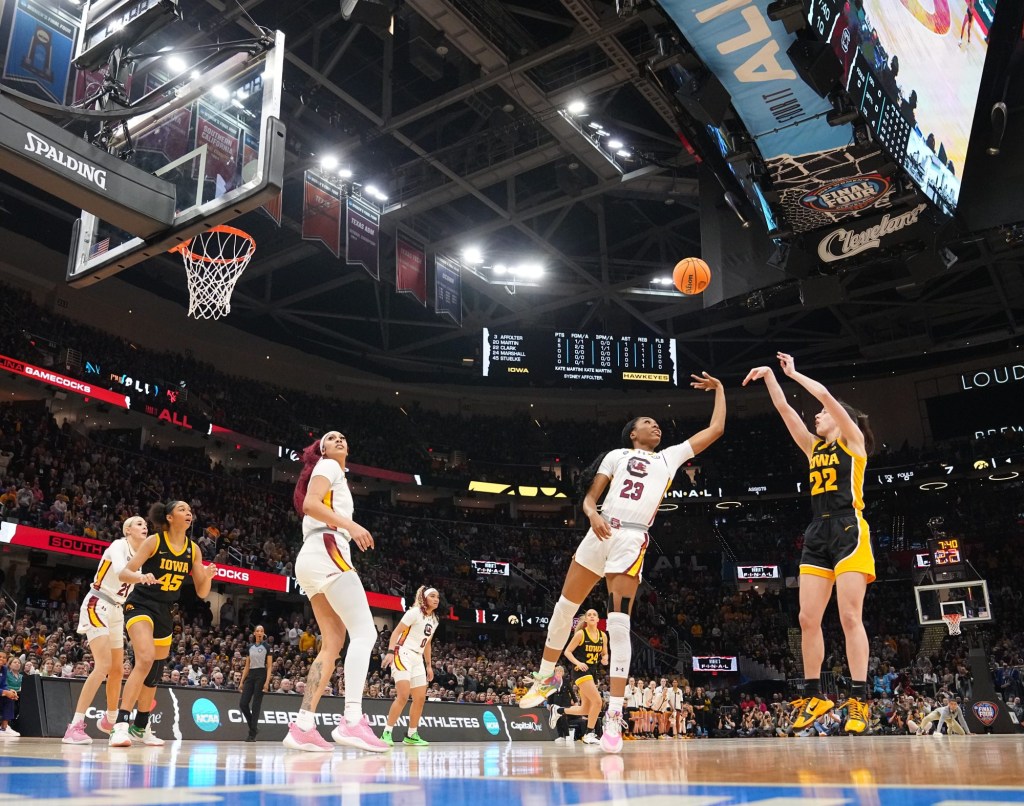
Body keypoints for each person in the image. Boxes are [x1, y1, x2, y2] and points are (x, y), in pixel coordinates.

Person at [520, 372, 726, 756]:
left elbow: (715, 429)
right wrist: (591, 513)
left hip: (632, 538)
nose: (656, 426)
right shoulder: (616, 456)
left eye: (657, 424)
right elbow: (588, 497)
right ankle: (545, 676)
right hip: (600, 529)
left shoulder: (669, 458)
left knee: (618, 624)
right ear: (633, 433)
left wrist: (720, 391)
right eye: (648, 422)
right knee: (565, 607)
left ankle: (614, 716)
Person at [743, 352, 875, 735]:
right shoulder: (813, 449)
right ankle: (815, 694)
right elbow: (786, 411)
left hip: (850, 529)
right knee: (806, 618)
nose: (816, 416)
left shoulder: (853, 442)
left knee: (850, 616)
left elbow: (826, 396)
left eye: (822, 413)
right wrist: (770, 376)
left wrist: (795, 373)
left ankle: (859, 700)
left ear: (839, 416)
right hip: (818, 531)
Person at [284, 431, 388, 753]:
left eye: (343, 437)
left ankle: (302, 725)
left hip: (312, 556)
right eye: (331, 438)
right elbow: (310, 504)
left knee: (332, 645)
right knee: (365, 633)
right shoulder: (328, 466)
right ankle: (352, 720)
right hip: (327, 546)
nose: (339, 439)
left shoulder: (335, 473)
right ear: (322, 448)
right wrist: (351, 525)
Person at [109, 501, 217, 747]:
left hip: (166, 611)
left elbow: (202, 592)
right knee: (144, 659)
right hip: (140, 605)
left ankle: (141, 727)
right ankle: (120, 725)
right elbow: (124, 573)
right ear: (169, 517)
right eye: (182, 509)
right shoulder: (155, 541)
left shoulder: (193, 551)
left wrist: (208, 577)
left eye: (189, 510)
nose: (188, 512)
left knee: (155, 673)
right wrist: (141, 576)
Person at [63, 516, 152, 744]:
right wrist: (143, 577)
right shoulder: (118, 546)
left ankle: (110, 720)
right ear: (128, 529)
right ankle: (74, 726)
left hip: (116, 610)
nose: (145, 527)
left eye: (146, 524)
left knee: (117, 670)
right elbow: (123, 572)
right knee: (102, 665)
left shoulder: (141, 558)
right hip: (98, 602)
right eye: (139, 524)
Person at [380, 586, 440, 747]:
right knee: (403, 695)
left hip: (418, 658)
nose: (436, 599)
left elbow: (428, 643)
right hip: (403, 653)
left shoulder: (434, 620)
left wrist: (429, 665)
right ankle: (386, 732)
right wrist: (391, 651)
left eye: (438, 597)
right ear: (424, 598)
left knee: (420, 699)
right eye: (433, 596)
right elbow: (396, 632)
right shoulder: (414, 612)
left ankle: (412, 734)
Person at [548, 609, 608, 745]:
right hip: (580, 671)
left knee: (585, 709)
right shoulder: (581, 634)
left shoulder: (603, 636)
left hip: (593, 672)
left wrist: (605, 659)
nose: (592, 616)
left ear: (598, 619)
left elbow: (605, 653)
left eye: (595, 614)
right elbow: (567, 652)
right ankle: (589, 734)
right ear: (585, 620)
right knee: (598, 702)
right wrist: (578, 663)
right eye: (589, 615)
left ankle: (557, 710)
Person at [239, 625, 272, 742]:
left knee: (256, 705)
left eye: (262, 631)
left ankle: (252, 734)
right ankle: (253, 727)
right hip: (251, 675)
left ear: (263, 633)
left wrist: (267, 682)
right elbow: (247, 665)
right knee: (243, 704)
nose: (259, 633)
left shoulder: (267, 647)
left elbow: (269, 666)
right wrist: (242, 681)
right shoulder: (249, 647)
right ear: (254, 633)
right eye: (257, 631)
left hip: (261, 674)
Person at [0, 651, 17, 738]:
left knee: (10, 698)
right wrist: (5, 692)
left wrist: (10, 692)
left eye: (4, 657)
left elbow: (4, 685)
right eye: (0, 657)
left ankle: (4, 727)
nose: (1, 659)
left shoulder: (4, 669)